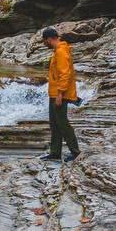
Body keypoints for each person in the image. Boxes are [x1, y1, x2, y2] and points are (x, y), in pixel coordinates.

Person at [39, 27, 80, 163]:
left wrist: (60, 94)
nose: (44, 44)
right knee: (54, 124)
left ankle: (75, 151)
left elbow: (65, 74)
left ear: (49, 39)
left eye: (45, 41)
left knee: (62, 123)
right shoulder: (57, 51)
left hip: (59, 94)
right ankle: (55, 152)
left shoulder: (61, 51)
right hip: (54, 93)